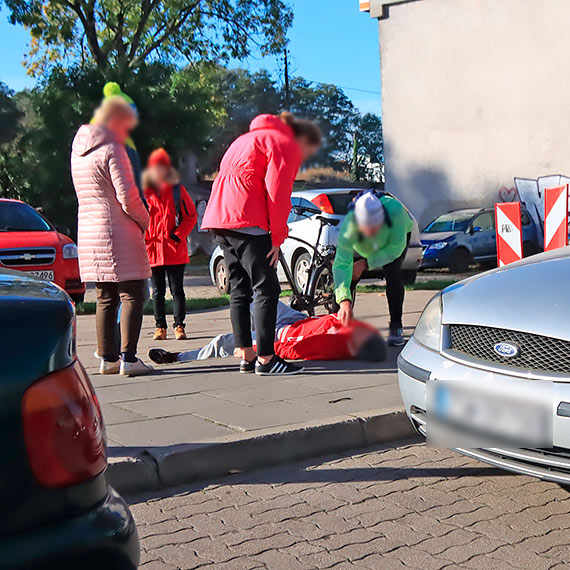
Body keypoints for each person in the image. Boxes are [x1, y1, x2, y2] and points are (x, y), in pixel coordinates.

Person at [201, 112, 321, 376]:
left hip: (220, 219)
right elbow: (278, 192)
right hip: (248, 219)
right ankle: (267, 359)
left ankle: (246, 353)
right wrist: (277, 238)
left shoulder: (242, 141)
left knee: (239, 288)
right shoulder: (281, 143)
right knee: (266, 288)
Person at [71, 96, 152, 376]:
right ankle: (129, 358)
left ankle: (108, 358)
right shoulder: (112, 149)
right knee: (133, 293)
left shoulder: (78, 151)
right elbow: (127, 197)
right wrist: (145, 220)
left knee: (105, 296)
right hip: (118, 231)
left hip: (90, 231)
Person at [147, 301, 387, 367]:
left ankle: (178, 357)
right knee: (256, 297)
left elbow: (293, 349)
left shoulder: (335, 346)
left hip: (275, 337)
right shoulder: (349, 330)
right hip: (294, 321)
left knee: (224, 342)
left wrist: (259, 348)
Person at [333, 191, 413, 347]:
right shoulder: (348, 229)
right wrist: (344, 300)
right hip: (363, 245)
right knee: (347, 279)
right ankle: (337, 325)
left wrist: (364, 263)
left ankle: (396, 325)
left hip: (395, 240)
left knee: (393, 273)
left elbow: (395, 249)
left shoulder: (396, 211)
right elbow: (341, 264)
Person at [143, 148, 197, 341]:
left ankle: (179, 326)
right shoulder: (143, 193)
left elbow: (191, 216)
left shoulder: (177, 190)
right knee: (157, 292)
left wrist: (178, 235)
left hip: (174, 249)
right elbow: (136, 219)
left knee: (177, 290)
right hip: (152, 250)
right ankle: (160, 328)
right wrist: (144, 237)